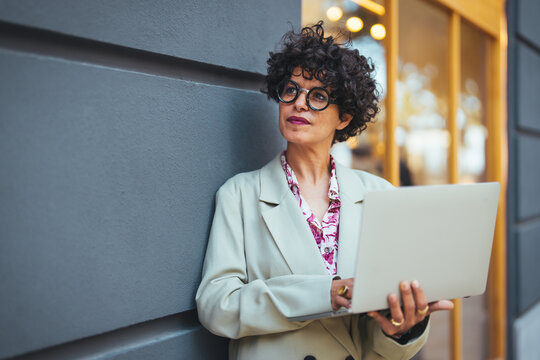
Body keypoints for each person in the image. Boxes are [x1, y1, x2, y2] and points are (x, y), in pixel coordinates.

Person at [196, 22, 453, 360]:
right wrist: (324, 295)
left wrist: (403, 328)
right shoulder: (240, 195)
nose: (299, 104)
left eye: (317, 96)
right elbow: (217, 306)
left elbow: (383, 336)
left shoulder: (382, 195)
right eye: (291, 90)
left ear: (344, 117)